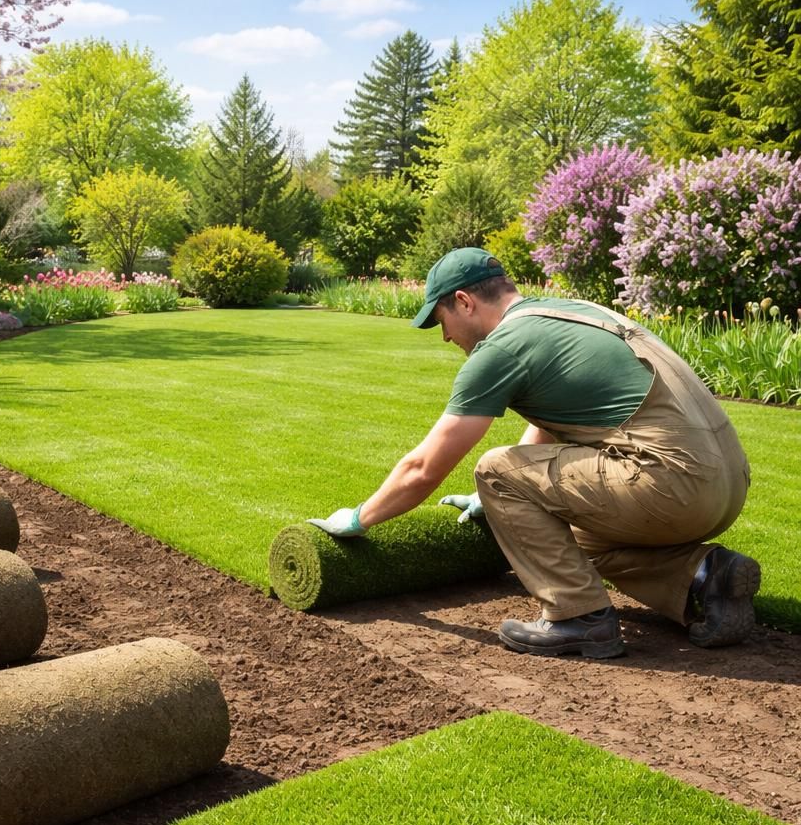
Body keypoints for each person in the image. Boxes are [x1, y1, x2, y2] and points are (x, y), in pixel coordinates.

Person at [310, 246, 760, 659]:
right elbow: (554, 415)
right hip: (728, 483)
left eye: (441, 319)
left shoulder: (502, 347)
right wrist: (496, 503)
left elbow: (424, 468)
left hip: (672, 484)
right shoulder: (568, 312)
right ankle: (707, 574)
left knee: (493, 469)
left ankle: (578, 617)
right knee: (574, 543)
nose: (445, 336)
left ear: (465, 302)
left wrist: (359, 517)